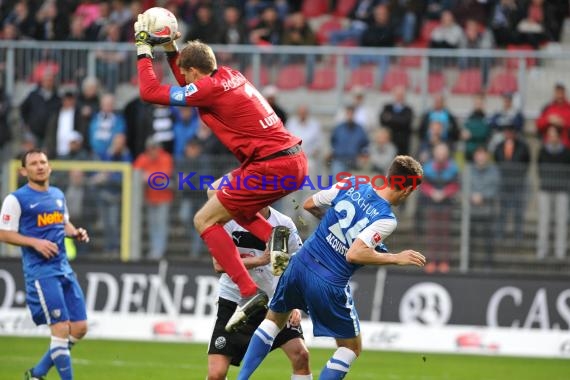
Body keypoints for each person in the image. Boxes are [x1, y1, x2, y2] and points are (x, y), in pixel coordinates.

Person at [133, 15, 308, 329]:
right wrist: (173, 49)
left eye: (186, 73)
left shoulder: (208, 89)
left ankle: (250, 291)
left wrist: (144, 49)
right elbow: (190, 80)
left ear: (195, 73)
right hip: (291, 160)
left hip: (270, 165)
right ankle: (274, 236)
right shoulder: (229, 75)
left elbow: (149, 92)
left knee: (204, 219)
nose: (183, 80)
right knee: (228, 201)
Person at [237, 156, 426, 380]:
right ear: (406, 190)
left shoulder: (353, 183)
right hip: (328, 281)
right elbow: (355, 253)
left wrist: (337, 227)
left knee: (273, 322)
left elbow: (309, 204)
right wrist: (397, 258)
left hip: (300, 263)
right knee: (351, 347)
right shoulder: (386, 219)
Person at [0, 149, 90, 380]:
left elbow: (63, 223)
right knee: (60, 329)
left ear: (49, 167)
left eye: (43, 162)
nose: (40, 166)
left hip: (63, 268)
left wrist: (75, 233)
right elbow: (3, 233)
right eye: (33, 163)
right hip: (41, 273)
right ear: (24, 170)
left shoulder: (58, 194)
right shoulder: (16, 199)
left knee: (79, 328)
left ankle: (37, 374)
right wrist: (35, 243)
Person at [208, 206, 312, 380]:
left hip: (274, 304)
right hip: (236, 301)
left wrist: (293, 303)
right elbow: (219, 264)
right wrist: (260, 260)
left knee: (301, 356)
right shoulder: (228, 221)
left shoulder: (283, 224)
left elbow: (297, 266)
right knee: (216, 374)